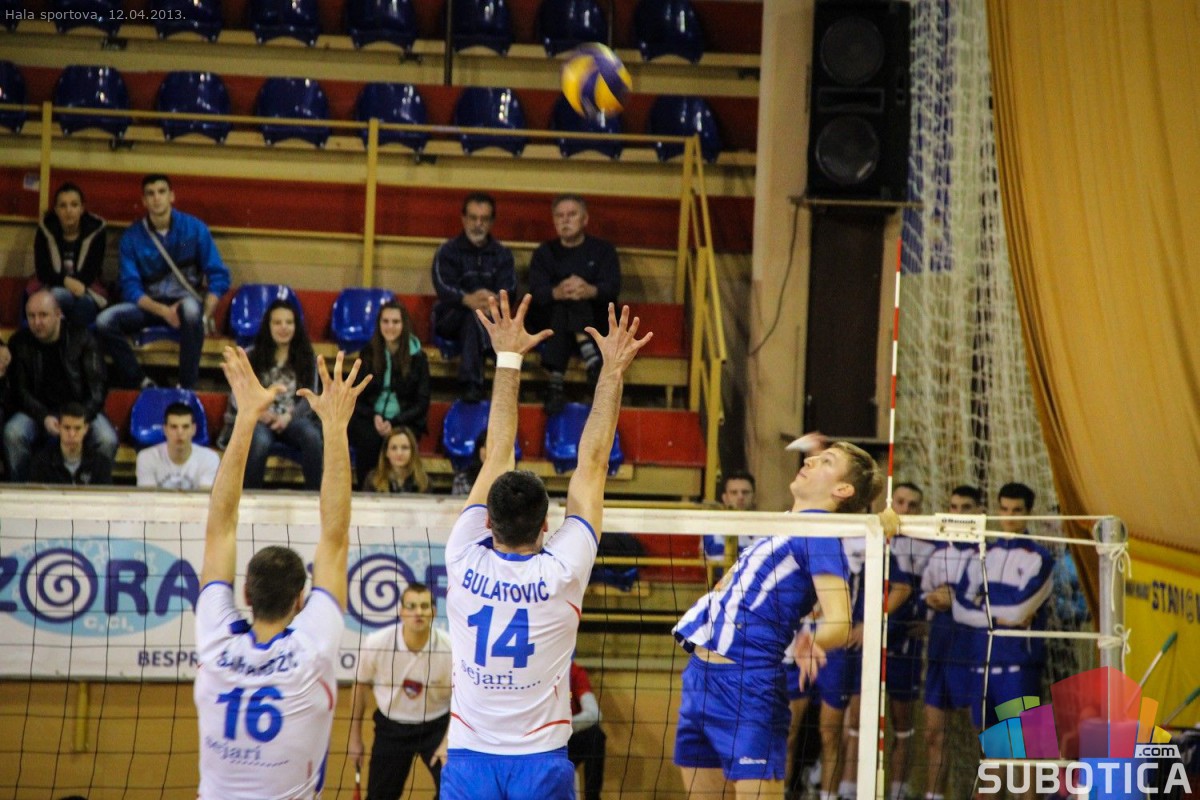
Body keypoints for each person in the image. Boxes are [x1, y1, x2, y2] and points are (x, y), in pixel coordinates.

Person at [439, 292, 651, 800]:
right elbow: (592, 464)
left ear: (487, 521)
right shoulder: (562, 571)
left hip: (469, 759)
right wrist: (611, 371)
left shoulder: (462, 554)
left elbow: (496, 454)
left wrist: (508, 357)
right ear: (546, 526)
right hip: (540, 761)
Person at [193, 346, 369, 799]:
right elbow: (335, 536)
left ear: (245, 596)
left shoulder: (215, 642)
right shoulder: (311, 649)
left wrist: (245, 417)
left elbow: (219, 528)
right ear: (300, 601)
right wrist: (335, 427)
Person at [673, 438, 888, 800]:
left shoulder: (820, 533)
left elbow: (840, 619)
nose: (811, 461)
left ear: (842, 489)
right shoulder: (781, 525)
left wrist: (814, 640)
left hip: (748, 684)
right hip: (700, 678)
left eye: (826, 461)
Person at [96, 174, 231, 390]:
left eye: (161, 192)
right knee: (104, 321)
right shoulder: (132, 237)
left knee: (191, 312)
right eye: (150, 194)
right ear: (144, 201)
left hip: (186, 303)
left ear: (172, 196)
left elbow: (219, 275)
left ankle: (186, 387)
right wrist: (164, 312)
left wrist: (205, 315)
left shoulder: (194, 230)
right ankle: (141, 382)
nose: (156, 198)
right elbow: (130, 288)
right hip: (149, 306)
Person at [952, 482, 1054, 731]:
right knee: (987, 746)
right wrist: (997, 619)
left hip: (1018, 667)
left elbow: (1019, 610)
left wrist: (981, 604)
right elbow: (958, 609)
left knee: (1021, 747)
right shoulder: (982, 554)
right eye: (1004, 509)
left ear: (1029, 513)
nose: (1009, 516)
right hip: (981, 664)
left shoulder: (1040, 558)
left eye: (1017, 510)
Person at [348, 582, 452, 800]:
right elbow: (360, 685)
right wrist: (355, 738)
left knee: (455, 792)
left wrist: (447, 741)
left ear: (434, 612)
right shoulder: (376, 643)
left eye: (424, 606)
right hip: (392, 728)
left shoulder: (450, 648)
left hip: (437, 727)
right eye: (411, 606)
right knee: (379, 797)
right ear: (401, 611)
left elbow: (462, 699)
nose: (418, 612)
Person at [3, 289, 118, 482]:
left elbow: (98, 389)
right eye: (31, 316)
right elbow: (20, 391)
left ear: (58, 314)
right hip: (38, 412)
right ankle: (23, 490)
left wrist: (79, 419)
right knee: (13, 434)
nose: (37, 322)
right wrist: (43, 417)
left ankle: (95, 490)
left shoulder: (83, 338)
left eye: (43, 315)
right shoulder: (19, 342)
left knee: (107, 439)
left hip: (80, 411)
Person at [920, 484, 985, 800]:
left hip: (973, 653)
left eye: (966, 508)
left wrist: (955, 601)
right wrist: (934, 599)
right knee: (934, 734)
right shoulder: (937, 554)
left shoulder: (987, 556)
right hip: (940, 652)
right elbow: (924, 596)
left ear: (979, 513)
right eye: (954, 507)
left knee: (986, 738)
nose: (958, 514)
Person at [527, 195, 620, 415]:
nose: (565, 220)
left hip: (594, 318)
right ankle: (591, 358)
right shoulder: (544, 252)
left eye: (571, 215)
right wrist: (556, 292)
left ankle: (555, 383)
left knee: (572, 303)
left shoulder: (603, 250)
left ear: (585, 219)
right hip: (551, 319)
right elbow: (536, 292)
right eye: (559, 216)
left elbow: (612, 288)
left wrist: (590, 290)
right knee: (562, 305)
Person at [219, 300, 323, 490]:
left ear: (296, 326)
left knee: (312, 436)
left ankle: (316, 497)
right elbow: (238, 394)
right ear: (268, 326)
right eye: (277, 322)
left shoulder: (308, 356)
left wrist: (287, 417)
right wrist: (260, 413)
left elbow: (310, 396)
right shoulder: (251, 355)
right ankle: (249, 496)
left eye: (289, 322)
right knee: (260, 441)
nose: (284, 327)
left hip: (292, 419)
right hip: (258, 418)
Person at [432, 192, 517, 403]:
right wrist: (467, 299)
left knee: (475, 319)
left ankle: (472, 383)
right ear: (463, 218)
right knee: (472, 316)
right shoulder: (447, 251)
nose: (478, 224)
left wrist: (491, 302)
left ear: (492, 221)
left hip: (490, 316)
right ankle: (490, 358)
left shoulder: (502, 254)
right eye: (473, 218)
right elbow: (443, 287)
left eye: (484, 219)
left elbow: (510, 289)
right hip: (452, 316)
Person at [881, 481, 929, 800]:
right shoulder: (871, 536)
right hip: (866, 643)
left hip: (906, 647)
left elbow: (940, 589)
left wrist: (930, 623)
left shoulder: (929, 546)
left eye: (913, 504)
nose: (906, 509)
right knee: (854, 721)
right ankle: (847, 789)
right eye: (900, 502)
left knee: (903, 725)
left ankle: (898, 791)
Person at [349, 300, 431, 486]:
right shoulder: (368, 353)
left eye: (395, 322)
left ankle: (403, 489)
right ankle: (366, 489)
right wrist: (375, 416)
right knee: (368, 439)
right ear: (379, 324)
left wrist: (394, 422)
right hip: (371, 418)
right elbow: (357, 396)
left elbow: (422, 402)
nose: (390, 327)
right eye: (385, 321)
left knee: (399, 441)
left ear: (404, 325)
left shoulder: (419, 358)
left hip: (405, 419)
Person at [32, 182, 108, 327]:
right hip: (52, 289)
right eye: (63, 205)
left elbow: (91, 272)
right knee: (56, 296)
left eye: (74, 205)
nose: (69, 210)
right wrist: (66, 281)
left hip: (86, 292)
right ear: (56, 210)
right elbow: (43, 271)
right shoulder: (45, 230)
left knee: (78, 306)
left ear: (82, 208)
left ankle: (66, 336)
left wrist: (76, 287)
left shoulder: (96, 231)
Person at [136, 402, 220, 490]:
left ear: (193, 429)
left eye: (185, 427)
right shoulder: (146, 458)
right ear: (165, 430)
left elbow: (206, 497)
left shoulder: (210, 459)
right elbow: (148, 497)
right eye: (174, 427)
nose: (180, 433)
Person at [29, 402, 113, 486]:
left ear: (86, 429)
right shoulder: (41, 463)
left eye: (77, 428)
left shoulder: (100, 464)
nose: (72, 434)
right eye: (67, 428)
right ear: (58, 427)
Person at [567, 660, 606, 800]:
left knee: (595, 735)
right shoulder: (535, 670)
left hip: (566, 738)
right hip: (537, 741)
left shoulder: (574, 671)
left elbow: (595, 714)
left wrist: (562, 725)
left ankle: (592, 797)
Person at [701, 470, 758, 563]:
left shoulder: (766, 526)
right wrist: (754, 552)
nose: (740, 497)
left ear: (754, 496)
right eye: (734, 492)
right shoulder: (712, 525)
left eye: (745, 492)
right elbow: (716, 556)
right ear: (725, 498)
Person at [362, 427, 430, 494]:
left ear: (412, 452)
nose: (399, 453)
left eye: (404, 447)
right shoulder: (373, 480)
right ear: (386, 452)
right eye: (394, 448)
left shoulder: (424, 482)